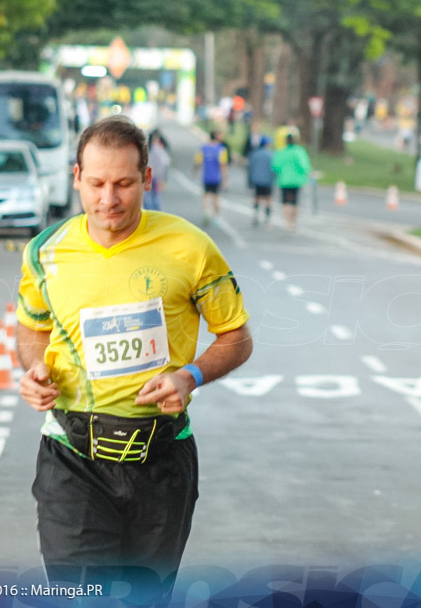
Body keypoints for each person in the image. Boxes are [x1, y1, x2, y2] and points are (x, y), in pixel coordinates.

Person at [16, 115, 253, 602]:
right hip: (73, 457)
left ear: (146, 179)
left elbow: (236, 337)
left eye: (124, 184)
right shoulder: (46, 252)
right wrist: (35, 368)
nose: (109, 200)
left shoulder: (189, 247)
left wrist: (190, 375)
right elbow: (31, 328)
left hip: (161, 460)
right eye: (97, 183)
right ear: (76, 177)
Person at [271, 133, 312, 231]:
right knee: (295, 202)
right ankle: (293, 222)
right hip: (297, 181)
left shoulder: (281, 152)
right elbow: (304, 166)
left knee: (286, 201)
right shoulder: (299, 152)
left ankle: (287, 222)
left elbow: (275, 166)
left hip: (284, 180)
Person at [194, 130, 229, 225]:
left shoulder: (203, 148)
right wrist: (225, 178)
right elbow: (223, 164)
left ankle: (206, 213)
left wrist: (195, 172)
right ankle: (216, 217)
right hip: (217, 177)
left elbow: (198, 162)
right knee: (216, 197)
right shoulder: (221, 149)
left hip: (206, 176)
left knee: (206, 196)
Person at [247, 135, 275, 227]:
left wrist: (250, 181)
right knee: (268, 199)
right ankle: (267, 218)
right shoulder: (271, 154)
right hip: (268, 180)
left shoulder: (254, 154)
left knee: (257, 197)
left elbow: (250, 168)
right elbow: (274, 168)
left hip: (257, 180)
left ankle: (255, 214)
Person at [143, 130, 171, 211]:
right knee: (153, 197)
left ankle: (151, 212)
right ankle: (154, 213)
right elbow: (165, 163)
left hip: (152, 177)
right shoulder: (156, 150)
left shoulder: (149, 150)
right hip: (153, 177)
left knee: (151, 197)